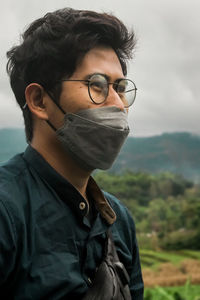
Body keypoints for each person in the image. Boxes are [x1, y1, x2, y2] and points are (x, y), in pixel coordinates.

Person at [0, 8, 144, 299]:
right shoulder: (8, 213)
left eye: (120, 88)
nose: (118, 104)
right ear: (39, 101)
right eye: (97, 85)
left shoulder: (118, 220)